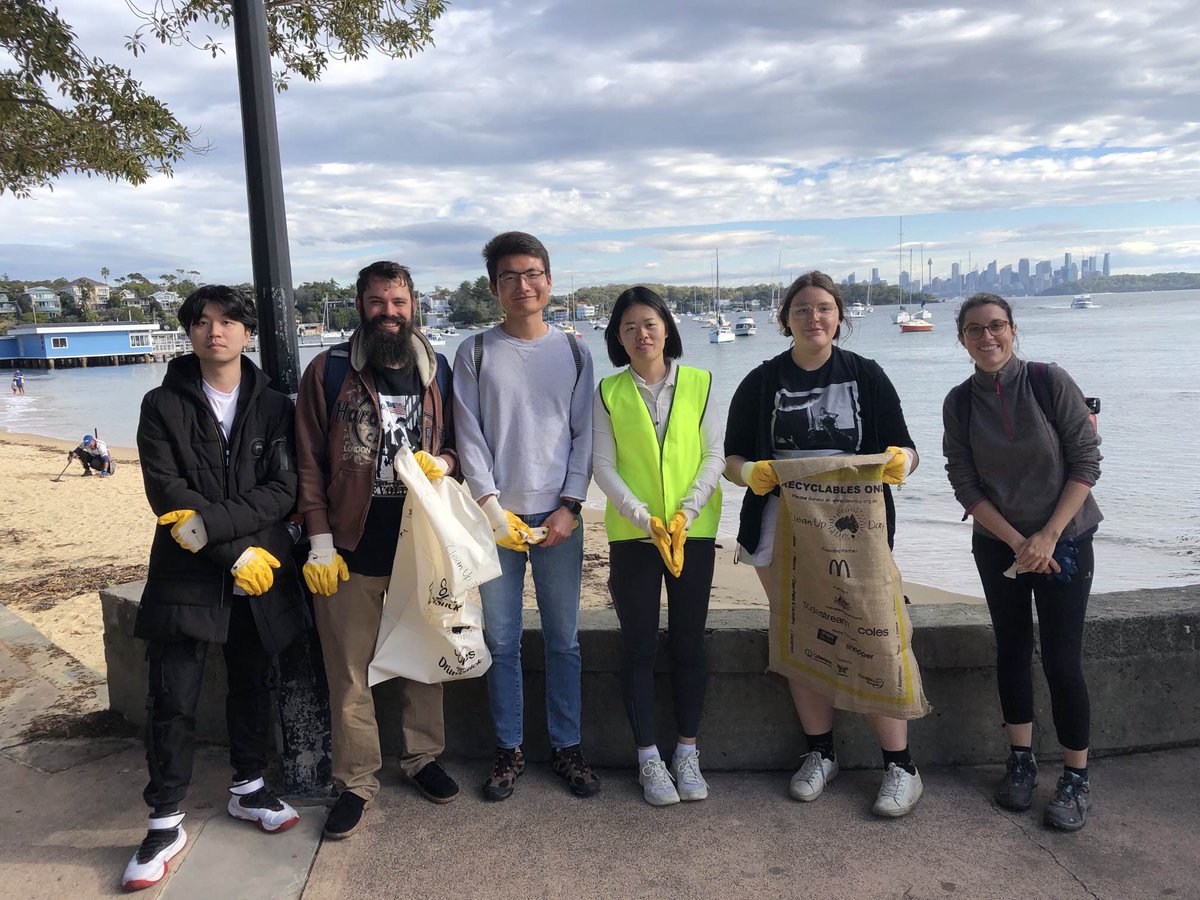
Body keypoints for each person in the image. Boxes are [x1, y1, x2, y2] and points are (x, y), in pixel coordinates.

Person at [123, 285, 308, 891]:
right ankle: (165, 818)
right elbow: (168, 494)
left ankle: (249, 786)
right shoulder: (161, 404)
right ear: (190, 333)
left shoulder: (277, 406)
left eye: (228, 321)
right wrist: (233, 551)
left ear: (247, 332)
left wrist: (231, 542)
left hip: (258, 569)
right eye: (202, 322)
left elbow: (285, 489)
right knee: (172, 697)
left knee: (252, 682)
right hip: (188, 570)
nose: (215, 332)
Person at [724, 271, 923, 817]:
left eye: (825, 309)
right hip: (777, 524)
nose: (815, 318)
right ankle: (820, 752)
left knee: (875, 631)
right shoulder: (761, 381)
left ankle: (900, 766)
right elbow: (731, 460)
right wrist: (752, 475)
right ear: (785, 317)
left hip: (855, 529)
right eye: (804, 309)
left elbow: (905, 446)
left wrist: (903, 462)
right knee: (797, 633)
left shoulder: (866, 375)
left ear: (840, 316)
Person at [296, 260, 460, 840]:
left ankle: (423, 758)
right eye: (376, 303)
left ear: (413, 305)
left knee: (424, 659)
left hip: (422, 547)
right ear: (359, 306)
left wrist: (440, 463)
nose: (389, 314)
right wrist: (319, 541)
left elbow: (462, 450)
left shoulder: (437, 373)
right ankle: (357, 781)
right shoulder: (328, 370)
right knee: (350, 673)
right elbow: (308, 464)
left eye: (398, 303)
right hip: (349, 547)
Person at [943, 292, 1103, 832]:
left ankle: (1076, 777)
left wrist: (1049, 536)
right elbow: (962, 480)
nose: (987, 338)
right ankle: (1020, 760)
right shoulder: (960, 402)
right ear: (961, 338)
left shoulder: (1047, 380)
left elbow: (1086, 460)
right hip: (998, 543)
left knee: (1062, 661)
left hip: (1067, 540)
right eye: (974, 330)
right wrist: (1017, 541)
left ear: (1013, 330)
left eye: (996, 327)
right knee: (1011, 650)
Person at [453, 231, 599, 801]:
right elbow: (468, 434)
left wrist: (570, 504)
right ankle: (508, 749)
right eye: (510, 276)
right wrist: (490, 508)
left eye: (532, 273)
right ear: (494, 287)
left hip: (560, 515)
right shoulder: (475, 350)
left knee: (564, 639)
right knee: (502, 638)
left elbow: (585, 434)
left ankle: (567, 747)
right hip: (495, 519)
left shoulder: (575, 350)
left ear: (549, 281)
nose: (523, 285)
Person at [593, 286, 723, 806]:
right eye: (629, 328)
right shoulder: (608, 392)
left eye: (649, 323)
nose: (641, 334)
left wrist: (687, 511)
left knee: (690, 643)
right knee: (639, 644)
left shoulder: (702, 382)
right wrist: (643, 517)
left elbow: (715, 454)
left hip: (693, 531)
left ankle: (686, 751)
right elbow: (602, 466)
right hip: (634, 535)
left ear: (667, 327)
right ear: (618, 339)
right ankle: (648, 756)